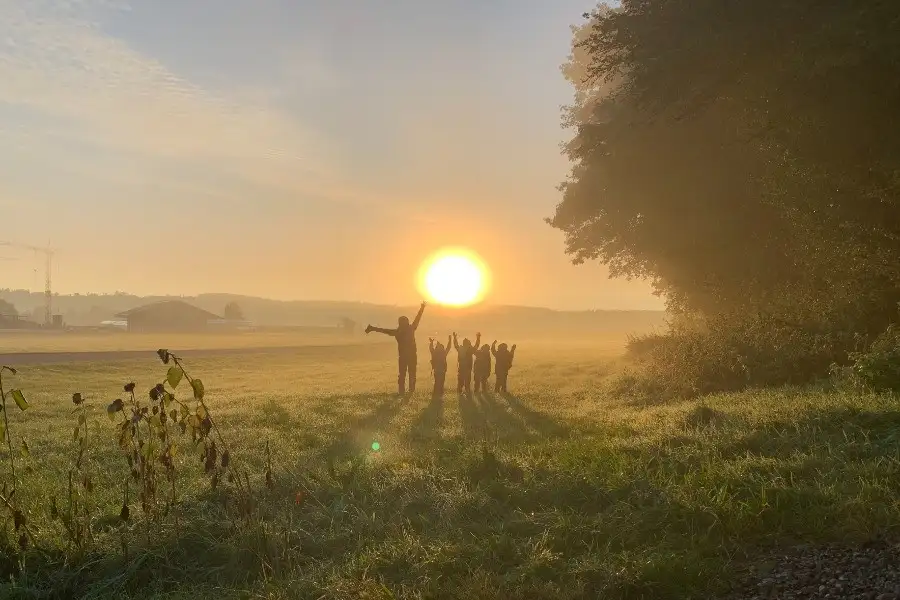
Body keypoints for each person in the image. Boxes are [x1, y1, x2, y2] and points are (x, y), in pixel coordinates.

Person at [365, 301, 427, 394]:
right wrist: (422, 308)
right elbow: (417, 319)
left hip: (403, 357)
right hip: (412, 356)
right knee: (412, 374)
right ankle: (411, 391)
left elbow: (384, 330)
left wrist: (373, 328)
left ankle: (402, 392)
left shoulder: (397, 332)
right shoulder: (410, 329)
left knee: (402, 375)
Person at [453, 331, 479, 395]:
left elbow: (456, 345)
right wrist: (478, 338)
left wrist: (455, 338)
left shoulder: (460, 349)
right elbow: (476, 346)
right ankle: (467, 393)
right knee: (467, 382)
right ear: (469, 343)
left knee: (460, 382)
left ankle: (460, 394)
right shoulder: (470, 350)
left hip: (461, 368)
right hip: (467, 369)